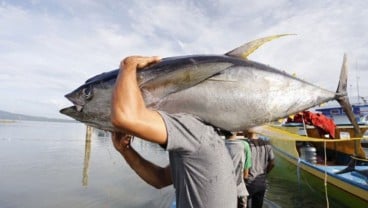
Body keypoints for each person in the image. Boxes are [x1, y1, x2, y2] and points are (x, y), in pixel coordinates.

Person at [110, 56, 237, 208]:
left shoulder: (196, 131)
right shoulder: (203, 140)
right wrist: (126, 150)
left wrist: (127, 66)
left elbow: (125, 117)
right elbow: (160, 179)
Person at [245, 130, 275, 208]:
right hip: (261, 182)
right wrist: (265, 173)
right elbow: (272, 163)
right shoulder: (267, 144)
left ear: (247, 131)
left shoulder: (246, 144)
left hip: (249, 182)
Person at [224, 131, 252, 208]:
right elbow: (246, 174)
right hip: (239, 191)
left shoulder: (218, 144)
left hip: (223, 191)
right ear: (237, 131)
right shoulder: (244, 145)